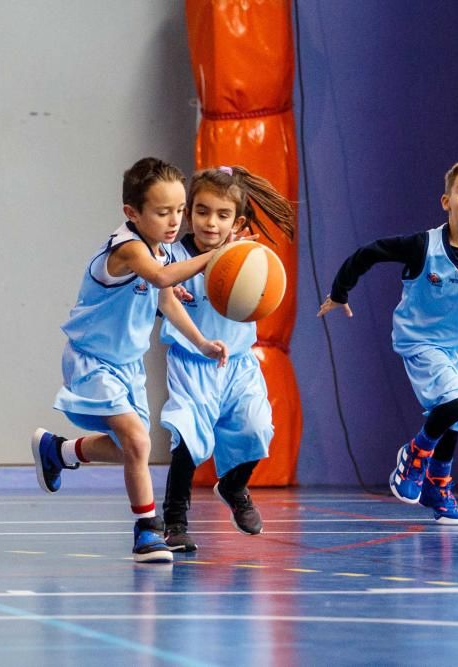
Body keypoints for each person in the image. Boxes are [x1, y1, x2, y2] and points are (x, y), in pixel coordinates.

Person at [32, 157, 229, 563]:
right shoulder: (129, 248)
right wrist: (218, 255)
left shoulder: (164, 250)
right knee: (139, 442)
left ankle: (59, 452)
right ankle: (146, 533)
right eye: (162, 212)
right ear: (132, 213)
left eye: (179, 210)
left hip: (128, 367)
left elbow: (167, 298)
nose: (175, 221)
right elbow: (160, 279)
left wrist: (202, 342)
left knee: (130, 449)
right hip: (91, 359)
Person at [318, 160, 458, 526]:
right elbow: (368, 253)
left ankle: (437, 488)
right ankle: (415, 454)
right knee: (455, 402)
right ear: (446, 201)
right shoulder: (423, 245)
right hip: (420, 339)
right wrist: (340, 292)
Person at [159, 165, 295, 552]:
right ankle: (175, 521)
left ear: (237, 221)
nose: (210, 222)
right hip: (191, 362)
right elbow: (159, 297)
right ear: (188, 214)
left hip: (238, 363)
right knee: (187, 437)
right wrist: (175, 311)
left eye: (222, 215)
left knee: (257, 429)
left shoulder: (248, 257)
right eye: (202, 211)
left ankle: (233, 485)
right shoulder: (173, 257)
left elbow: (263, 295)